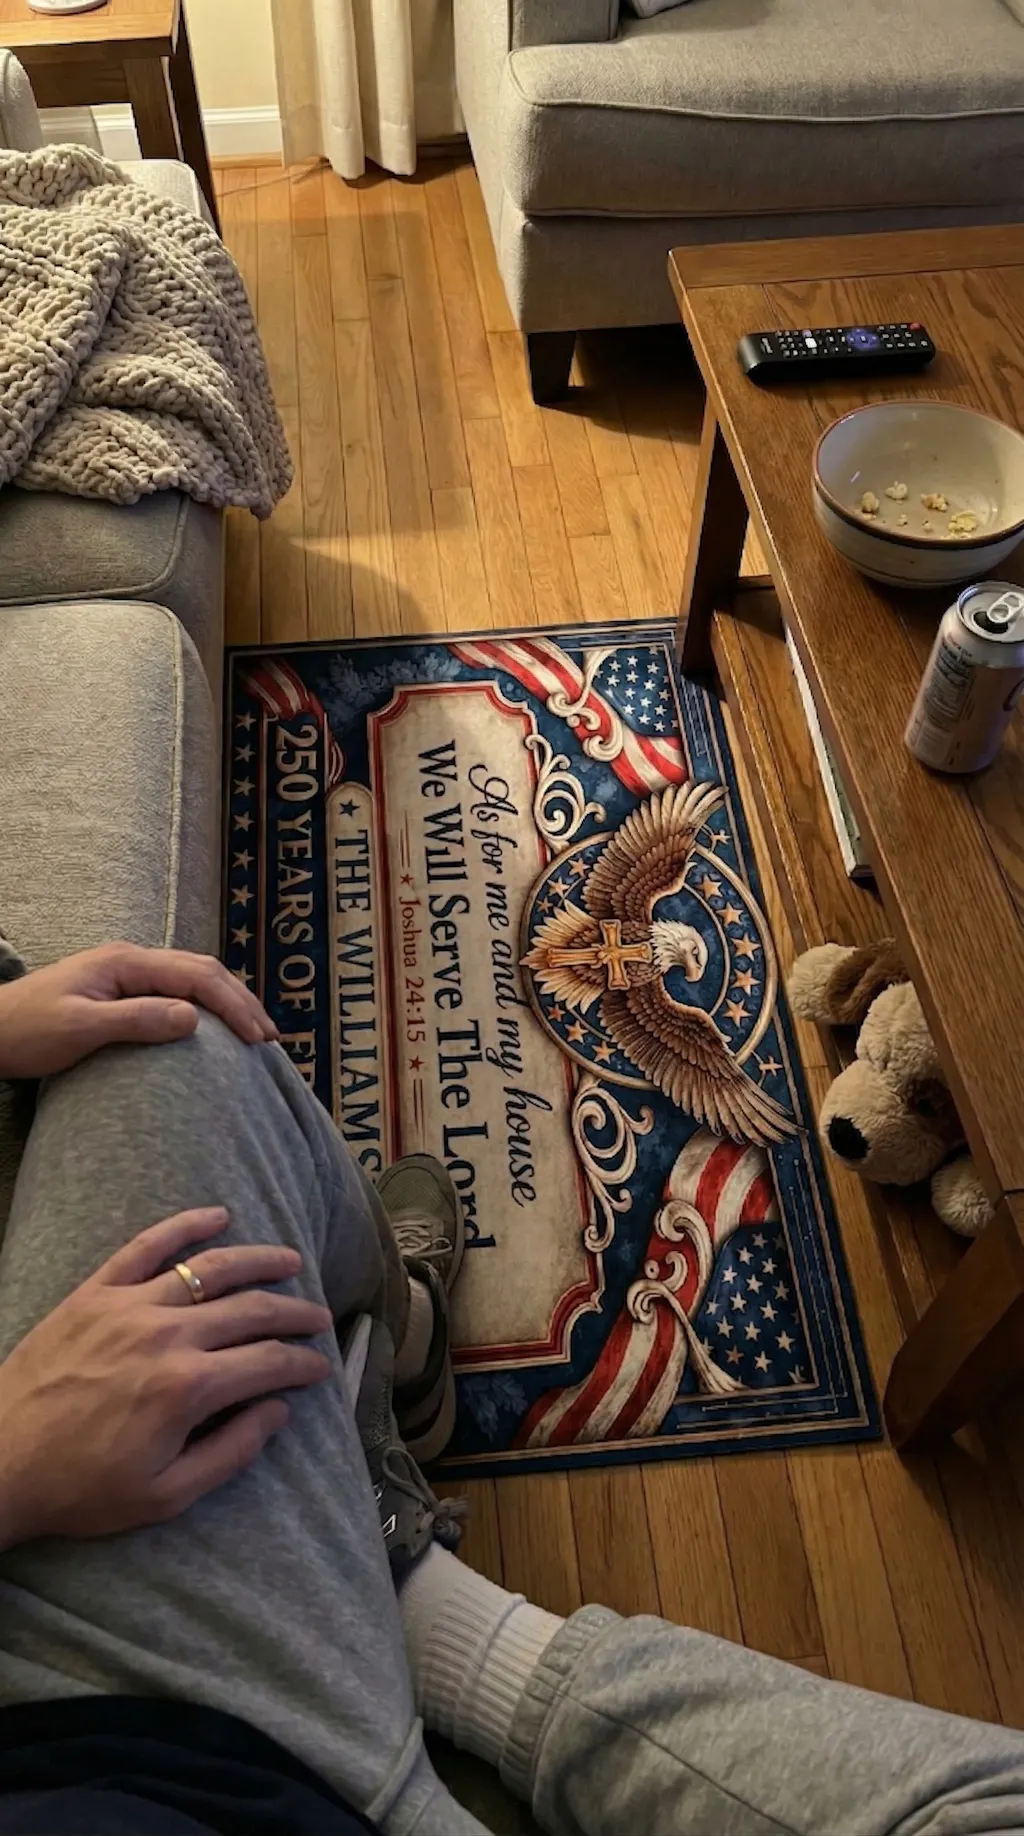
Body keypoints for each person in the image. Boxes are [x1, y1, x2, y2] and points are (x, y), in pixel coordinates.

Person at [0, 940, 1022, 1836]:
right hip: (237, 1788)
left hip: (57, 1719)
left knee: (166, 1042)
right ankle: (416, 1601)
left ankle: (400, 1363)